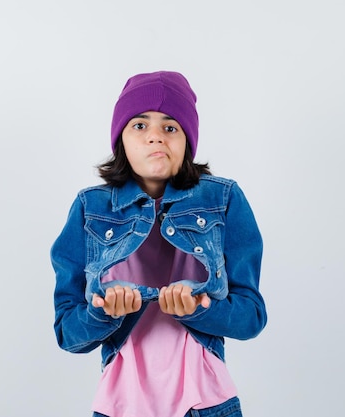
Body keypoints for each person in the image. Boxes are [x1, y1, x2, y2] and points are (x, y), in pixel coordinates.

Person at [51, 71, 266, 417]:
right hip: (120, 406)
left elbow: (251, 317)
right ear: (121, 137)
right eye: (140, 125)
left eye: (170, 127)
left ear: (187, 141)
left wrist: (198, 307)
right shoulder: (89, 209)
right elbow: (68, 333)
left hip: (206, 403)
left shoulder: (224, 199)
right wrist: (104, 311)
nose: (155, 138)